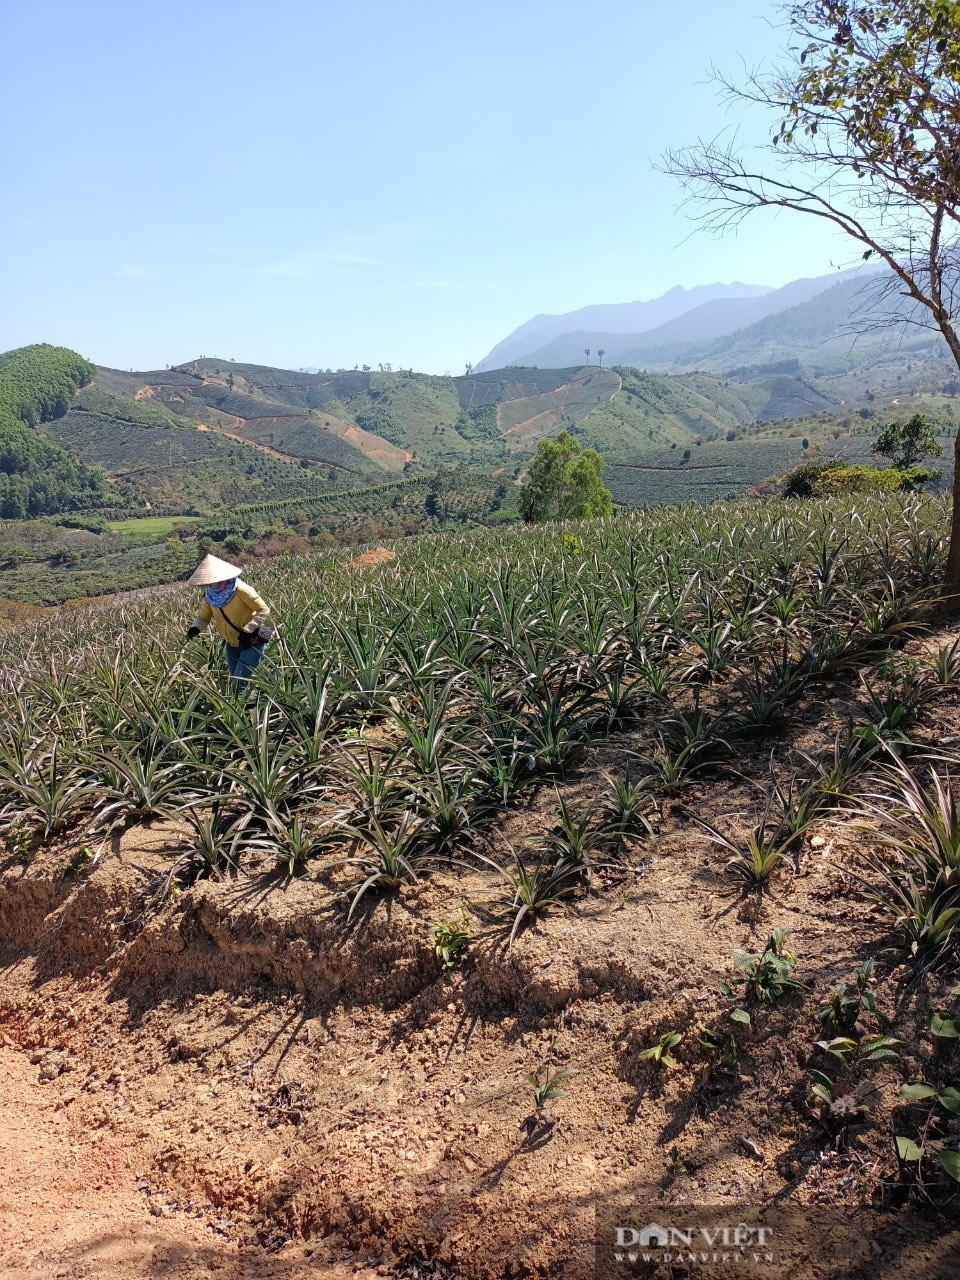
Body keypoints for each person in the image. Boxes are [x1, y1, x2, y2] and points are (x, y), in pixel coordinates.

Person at [185, 554, 274, 689]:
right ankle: (251, 702)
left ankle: (245, 707)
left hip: (251, 640)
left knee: (239, 683)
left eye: (209, 581)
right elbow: (204, 617)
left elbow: (264, 610)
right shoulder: (210, 596)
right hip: (231, 643)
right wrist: (195, 628)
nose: (208, 585)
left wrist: (247, 630)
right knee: (235, 680)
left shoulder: (241, 590)